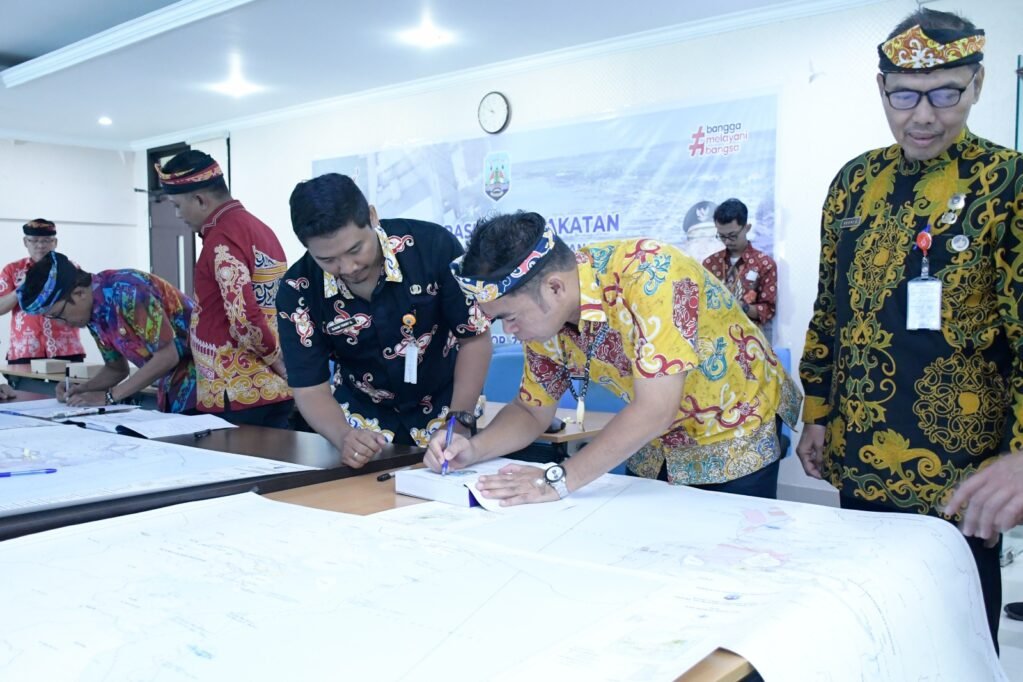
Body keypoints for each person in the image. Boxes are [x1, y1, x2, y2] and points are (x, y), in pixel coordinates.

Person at [796, 8, 1020, 647]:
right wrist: (818, 411)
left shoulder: (1008, 184)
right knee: (872, 626)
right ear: (882, 88)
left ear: (977, 84)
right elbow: (830, 309)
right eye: (904, 96)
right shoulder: (854, 183)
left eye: (946, 94)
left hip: (962, 467)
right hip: (860, 454)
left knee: (954, 636)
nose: (923, 116)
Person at [426, 210, 802, 504]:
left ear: (554, 288)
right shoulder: (546, 320)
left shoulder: (650, 274)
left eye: (509, 317)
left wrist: (557, 480)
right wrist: (472, 450)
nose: (509, 331)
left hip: (733, 428)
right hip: (655, 444)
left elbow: (656, 409)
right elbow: (530, 410)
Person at [276, 173, 491, 466]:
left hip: (446, 410)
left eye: (355, 250)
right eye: (327, 260)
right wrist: (343, 436)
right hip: (362, 425)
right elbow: (309, 386)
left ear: (372, 217)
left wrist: (459, 423)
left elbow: (474, 338)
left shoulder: (432, 247)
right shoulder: (298, 289)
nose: (348, 267)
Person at [155, 150, 293, 428]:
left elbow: (243, 318)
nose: (178, 215)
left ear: (200, 200)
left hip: (239, 393)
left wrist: (278, 361)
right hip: (269, 390)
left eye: (178, 206)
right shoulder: (258, 228)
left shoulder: (222, 237)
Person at [17, 252, 197, 413]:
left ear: (79, 293)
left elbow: (167, 356)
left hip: (203, 381)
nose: (61, 324)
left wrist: (110, 396)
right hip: (173, 386)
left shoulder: (128, 291)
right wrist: (82, 389)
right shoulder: (93, 313)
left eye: (59, 314)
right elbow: (116, 369)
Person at [0, 219, 86, 364]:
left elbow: (85, 303)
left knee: (71, 381)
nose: (40, 245)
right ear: (25, 242)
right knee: (23, 381)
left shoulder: (71, 268)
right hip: (25, 351)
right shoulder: (12, 270)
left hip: (67, 349)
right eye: (34, 240)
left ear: (55, 242)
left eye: (46, 240)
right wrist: (21, 288)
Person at [702, 198, 777, 337]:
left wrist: (741, 306)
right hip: (715, 337)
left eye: (732, 236)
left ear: (747, 228)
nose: (727, 241)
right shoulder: (710, 263)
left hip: (748, 339)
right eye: (722, 236)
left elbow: (768, 310)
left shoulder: (764, 264)